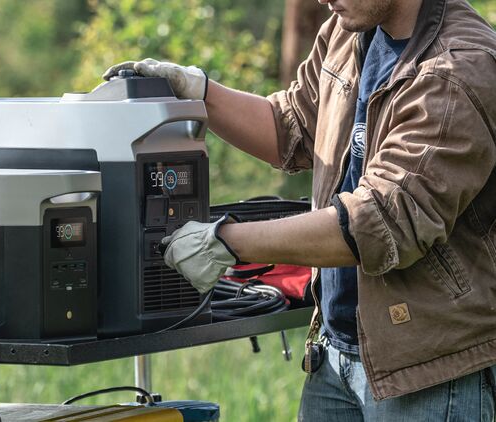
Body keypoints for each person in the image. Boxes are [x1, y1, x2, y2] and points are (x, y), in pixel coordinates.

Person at [104, 0, 496, 419]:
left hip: (429, 372)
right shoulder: (349, 31)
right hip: (335, 354)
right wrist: (200, 93)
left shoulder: (459, 68)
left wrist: (227, 241)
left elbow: (381, 221)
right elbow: (290, 126)